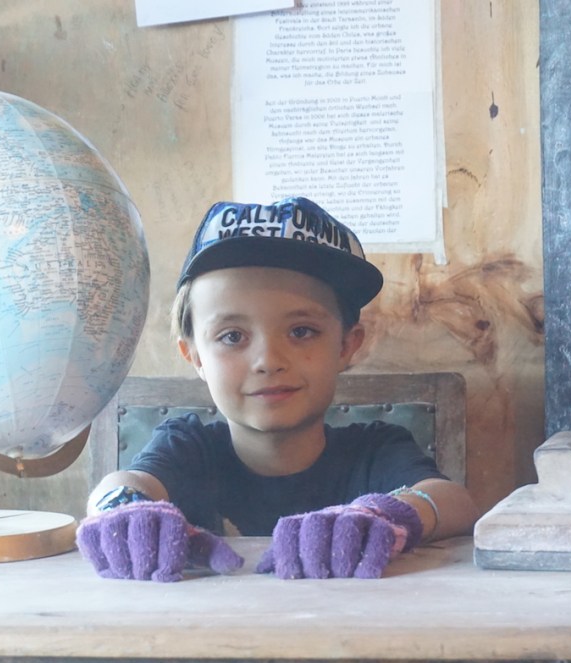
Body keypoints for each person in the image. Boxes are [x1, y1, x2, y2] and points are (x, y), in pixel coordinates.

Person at [76, 196, 479, 582]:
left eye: (302, 331)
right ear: (195, 356)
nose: (268, 360)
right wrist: (121, 510)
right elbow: (122, 485)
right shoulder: (187, 447)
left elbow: (452, 500)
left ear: (346, 345)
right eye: (232, 336)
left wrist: (389, 514)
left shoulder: (376, 450)